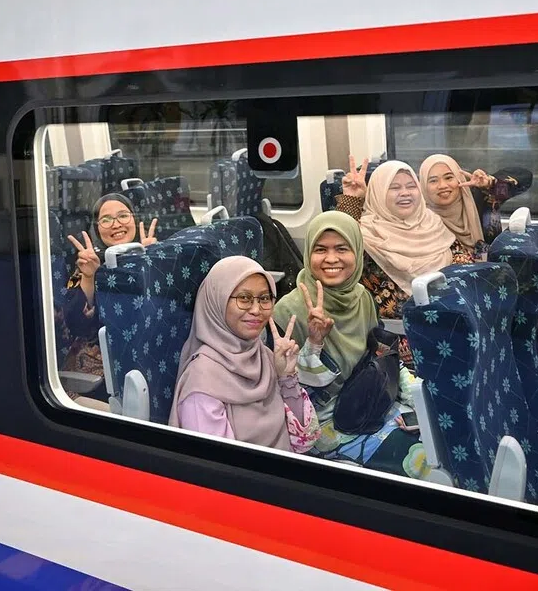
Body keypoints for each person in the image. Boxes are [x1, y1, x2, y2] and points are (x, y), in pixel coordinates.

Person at [272, 213, 431, 476]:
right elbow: (290, 391)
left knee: (439, 438)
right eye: (320, 250)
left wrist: (417, 400)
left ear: (356, 253)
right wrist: (314, 343)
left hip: (373, 398)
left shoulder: (362, 297)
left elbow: (383, 357)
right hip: (327, 422)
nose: (331, 259)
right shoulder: (287, 311)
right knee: (423, 464)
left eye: (342, 249)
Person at [170, 257, 319, 453]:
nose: (257, 310)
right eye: (244, 298)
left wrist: (287, 378)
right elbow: (218, 470)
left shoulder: (265, 356)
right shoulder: (202, 383)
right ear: (218, 301)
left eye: (264, 298)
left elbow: (304, 441)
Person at [336, 156, 469, 319]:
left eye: (411, 186)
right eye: (394, 187)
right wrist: (352, 198)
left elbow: (464, 267)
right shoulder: (364, 234)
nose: (405, 193)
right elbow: (339, 245)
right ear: (379, 193)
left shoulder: (433, 223)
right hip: (393, 333)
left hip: (448, 322)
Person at [60, 193, 159, 399]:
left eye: (123, 216)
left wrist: (152, 261)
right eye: (106, 220)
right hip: (97, 371)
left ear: (134, 219)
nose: (116, 225)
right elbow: (76, 325)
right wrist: (90, 277)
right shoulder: (87, 262)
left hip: (146, 357)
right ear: (97, 227)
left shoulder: (153, 254)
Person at [418, 154, 533, 259]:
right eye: (433, 181)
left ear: (459, 178)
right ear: (423, 186)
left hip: (496, 270)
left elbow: (525, 177)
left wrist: (490, 184)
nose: (442, 185)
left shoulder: (482, 196)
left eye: (449, 178)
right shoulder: (422, 221)